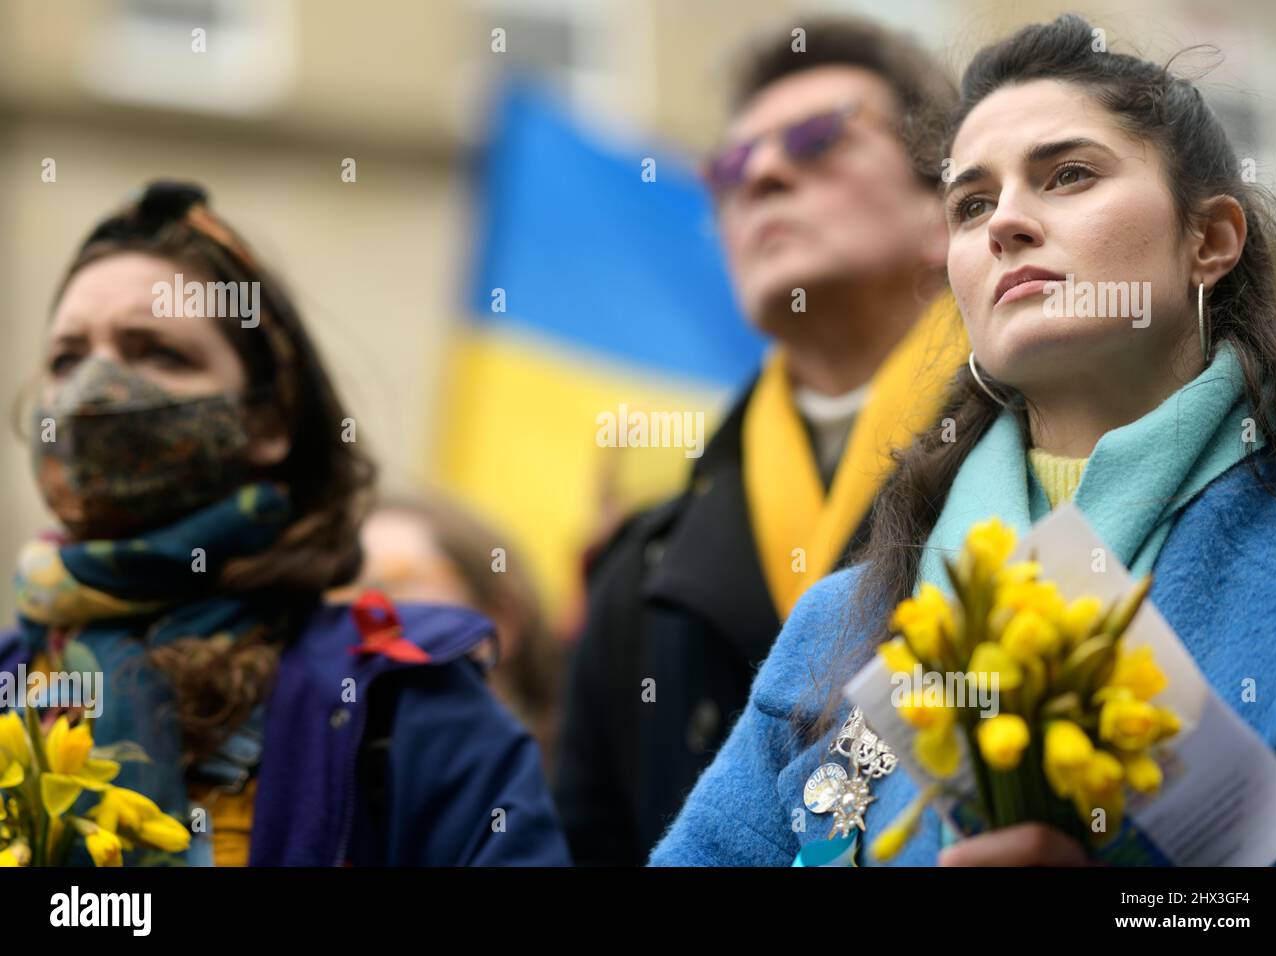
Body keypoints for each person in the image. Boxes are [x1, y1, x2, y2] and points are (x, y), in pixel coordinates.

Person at [651, 14, 1276, 867]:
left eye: (1068, 175)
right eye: (972, 204)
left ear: (1210, 240)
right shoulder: (836, 624)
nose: (1006, 225)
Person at [1, 181, 570, 866]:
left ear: (268, 421)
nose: (97, 388)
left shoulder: (409, 704)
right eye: (67, 359)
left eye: (156, 351)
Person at [555, 17, 967, 865]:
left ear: (948, 209)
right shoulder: (637, 573)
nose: (765, 175)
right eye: (729, 167)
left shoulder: (1065, 457)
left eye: (818, 138)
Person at [333, 496, 562, 775]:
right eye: (339, 593)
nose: (360, 612)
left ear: (500, 619)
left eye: (390, 583)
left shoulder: (578, 787)